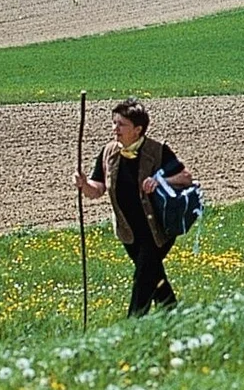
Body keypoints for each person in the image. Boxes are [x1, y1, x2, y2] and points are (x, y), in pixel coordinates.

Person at [73, 98, 194, 317]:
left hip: (157, 230)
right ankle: (173, 316)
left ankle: (134, 325)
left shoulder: (157, 151)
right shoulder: (108, 152)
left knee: (142, 277)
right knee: (154, 276)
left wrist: (160, 181)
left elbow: (185, 177)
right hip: (128, 232)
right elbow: (97, 189)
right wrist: (84, 184)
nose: (115, 129)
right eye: (114, 123)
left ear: (137, 130)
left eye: (121, 124)